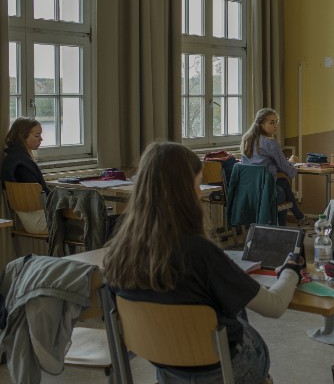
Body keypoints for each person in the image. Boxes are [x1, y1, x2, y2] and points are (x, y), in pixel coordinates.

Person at [103, 141, 303, 384]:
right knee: (238, 315)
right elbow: (274, 306)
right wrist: (291, 270)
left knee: (229, 302)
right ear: (185, 191)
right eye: (197, 185)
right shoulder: (200, 252)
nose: (199, 194)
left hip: (165, 366)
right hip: (219, 370)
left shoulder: (119, 253)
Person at [240, 108, 312, 227]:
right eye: (271, 122)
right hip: (264, 195)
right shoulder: (270, 144)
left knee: (283, 182)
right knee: (283, 192)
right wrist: (292, 162)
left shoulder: (247, 140)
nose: (276, 125)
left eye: (277, 122)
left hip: (249, 193)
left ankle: (296, 219)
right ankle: (293, 221)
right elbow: (286, 168)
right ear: (261, 124)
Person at [2, 117, 49, 234]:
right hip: (40, 221)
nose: (41, 139)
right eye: (37, 135)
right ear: (22, 137)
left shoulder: (11, 159)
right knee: (92, 217)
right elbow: (38, 196)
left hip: (31, 220)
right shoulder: (22, 165)